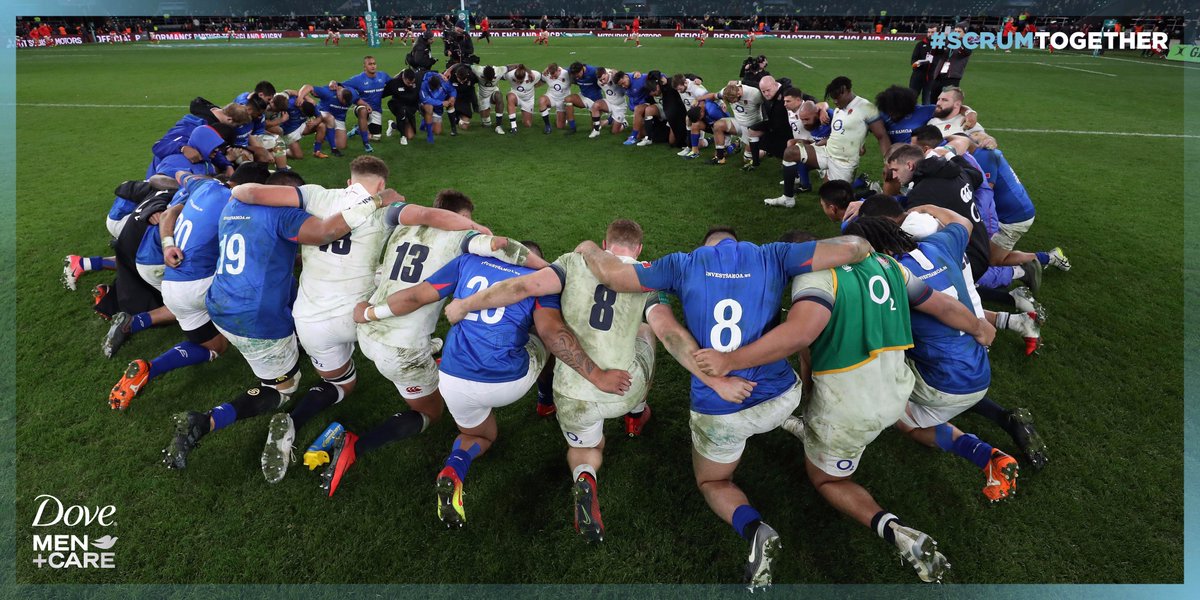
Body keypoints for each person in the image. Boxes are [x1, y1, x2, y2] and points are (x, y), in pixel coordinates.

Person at [574, 226, 874, 588]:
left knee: (713, 480)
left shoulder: (683, 264)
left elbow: (612, 275)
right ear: (737, 241)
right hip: (780, 397)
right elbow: (856, 247)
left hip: (721, 410)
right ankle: (797, 425)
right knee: (783, 397)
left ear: (706, 246)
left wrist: (590, 248)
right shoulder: (773, 254)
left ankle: (755, 529)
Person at [692, 234, 993, 584]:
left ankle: (895, 530)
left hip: (850, 411)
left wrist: (729, 362)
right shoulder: (887, 264)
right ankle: (981, 450)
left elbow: (801, 336)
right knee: (910, 423)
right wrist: (979, 326)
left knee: (827, 478)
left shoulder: (814, 277)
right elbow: (939, 304)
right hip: (896, 394)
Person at [316, 190, 544, 496]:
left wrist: (368, 313)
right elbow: (498, 246)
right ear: (462, 217)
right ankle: (358, 444)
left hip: (371, 337)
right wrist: (547, 269)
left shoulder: (404, 224)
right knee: (429, 412)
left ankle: (431, 356)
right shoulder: (461, 239)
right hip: (401, 347)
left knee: (428, 363)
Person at [160, 170, 388, 471]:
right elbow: (323, 233)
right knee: (281, 388)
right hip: (256, 317)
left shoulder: (233, 204)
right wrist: (374, 202)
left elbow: (272, 246)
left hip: (220, 301)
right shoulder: (284, 216)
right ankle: (206, 421)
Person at [443, 220, 654, 543]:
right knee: (646, 334)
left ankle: (585, 475)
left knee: (585, 447)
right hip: (622, 387)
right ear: (638, 249)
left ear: (604, 241)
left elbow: (522, 287)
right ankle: (636, 416)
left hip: (571, 392)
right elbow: (666, 325)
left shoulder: (570, 262)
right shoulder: (649, 272)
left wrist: (465, 305)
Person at [350, 242, 561, 528]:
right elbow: (550, 332)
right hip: (507, 383)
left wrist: (369, 312)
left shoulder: (467, 262)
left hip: (452, 378)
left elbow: (415, 296)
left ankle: (454, 468)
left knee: (482, 435)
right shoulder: (543, 279)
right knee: (542, 340)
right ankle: (545, 399)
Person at [108, 164, 271, 410]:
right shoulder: (239, 205)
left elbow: (176, 189)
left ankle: (149, 369)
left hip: (173, 281)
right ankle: (280, 358)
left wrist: (167, 244)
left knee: (213, 345)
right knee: (258, 292)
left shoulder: (203, 184)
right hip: (198, 283)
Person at [343, 55, 393, 149]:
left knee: (376, 138)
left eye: (374, 63)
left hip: (376, 110)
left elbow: (394, 83)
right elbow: (342, 85)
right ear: (364, 67)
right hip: (362, 108)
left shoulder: (383, 76)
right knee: (363, 111)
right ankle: (364, 136)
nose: (373, 66)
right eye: (370, 64)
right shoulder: (357, 79)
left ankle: (357, 130)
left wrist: (401, 75)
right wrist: (357, 100)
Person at [928, 24, 972, 101]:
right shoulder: (948, 42)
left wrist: (955, 41)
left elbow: (963, 53)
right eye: (955, 31)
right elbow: (934, 52)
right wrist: (939, 39)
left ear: (964, 34)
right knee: (933, 101)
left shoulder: (967, 44)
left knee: (948, 102)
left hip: (952, 77)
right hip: (939, 76)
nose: (956, 33)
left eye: (959, 31)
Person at [503, 64, 543, 133]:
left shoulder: (535, 75)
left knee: (527, 124)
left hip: (528, 100)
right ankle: (513, 126)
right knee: (510, 97)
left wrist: (536, 85)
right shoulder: (509, 74)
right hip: (516, 96)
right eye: (516, 80)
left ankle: (524, 113)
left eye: (520, 81)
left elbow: (544, 77)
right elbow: (500, 72)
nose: (518, 82)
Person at [418, 71, 456, 143]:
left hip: (438, 108)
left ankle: (425, 122)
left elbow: (452, 90)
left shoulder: (443, 81)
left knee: (438, 132)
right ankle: (429, 135)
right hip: (426, 106)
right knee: (429, 107)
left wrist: (452, 97)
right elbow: (426, 100)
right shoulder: (424, 85)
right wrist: (441, 103)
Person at [910, 25, 937, 102]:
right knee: (911, 100)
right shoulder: (920, 44)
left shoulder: (940, 46)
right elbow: (913, 60)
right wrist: (918, 64)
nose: (930, 34)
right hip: (917, 77)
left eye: (932, 32)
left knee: (927, 102)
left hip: (931, 78)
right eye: (928, 32)